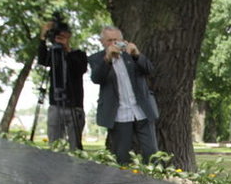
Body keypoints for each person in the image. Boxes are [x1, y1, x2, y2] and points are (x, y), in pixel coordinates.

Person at [89, 26, 159, 165]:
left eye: (117, 40)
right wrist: (108, 58)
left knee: (152, 152)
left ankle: (154, 180)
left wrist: (137, 55)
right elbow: (97, 78)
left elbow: (149, 69)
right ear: (102, 42)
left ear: (123, 40)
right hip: (119, 113)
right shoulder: (97, 58)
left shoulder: (130, 55)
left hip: (142, 110)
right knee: (122, 155)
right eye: (109, 40)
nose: (114, 43)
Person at [37, 17, 88, 150]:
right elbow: (42, 60)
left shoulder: (78, 54)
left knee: (75, 147)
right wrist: (43, 38)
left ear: (69, 36)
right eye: (59, 36)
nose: (61, 38)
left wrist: (66, 50)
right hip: (56, 105)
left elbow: (81, 69)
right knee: (55, 146)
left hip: (74, 105)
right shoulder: (53, 55)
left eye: (64, 36)